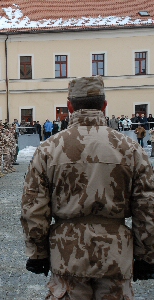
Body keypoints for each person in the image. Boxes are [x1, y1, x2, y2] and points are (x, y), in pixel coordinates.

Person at [20, 76, 154, 299]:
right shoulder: (130, 148)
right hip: (116, 253)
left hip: (67, 253)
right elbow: (147, 207)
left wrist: (38, 253)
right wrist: (146, 255)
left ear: (70, 106)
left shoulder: (49, 149)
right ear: (104, 105)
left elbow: (33, 207)